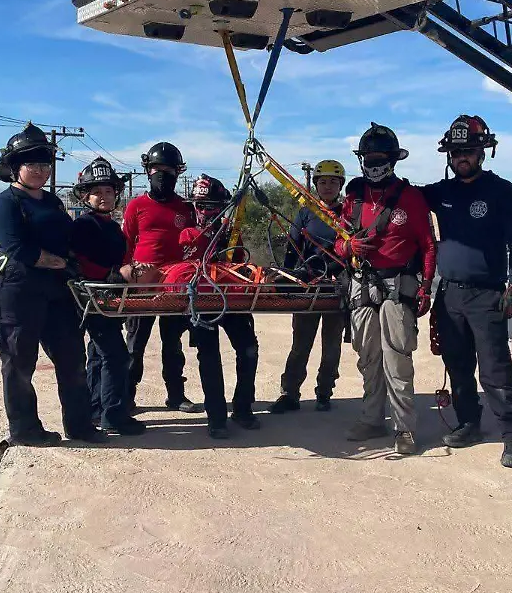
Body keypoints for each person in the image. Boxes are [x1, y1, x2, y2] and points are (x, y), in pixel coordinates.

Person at [421, 114, 512, 468]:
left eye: (467, 151)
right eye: (455, 152)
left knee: (496, 369)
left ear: (482, 152)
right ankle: (469, 423)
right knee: (458, 365)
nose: (460, 158)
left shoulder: (503, 192)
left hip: (487, 296)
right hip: (449, 294)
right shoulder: (442, 192)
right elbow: (406, 197)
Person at [0, 123, 100, 446]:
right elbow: (18, 248)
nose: (39, 170)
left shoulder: (52, 203)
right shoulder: (6, 204)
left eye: (44, 164)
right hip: (17, 293)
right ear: (14, 168)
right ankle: (25, 430)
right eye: (31, 164)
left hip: (58, 293)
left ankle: (80, 426)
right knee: (20, 365)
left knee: (72, 359)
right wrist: (63, 262)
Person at [335, 123, 436, 455]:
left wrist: (425, 288)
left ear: (393, 159)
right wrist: (349, 248)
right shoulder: (354, 197)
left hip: (397, 288)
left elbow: (428, 245)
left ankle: (404, 429)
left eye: (380, 157)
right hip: (362, 285)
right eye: (368, 157)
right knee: (368, 357)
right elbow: (340, 241)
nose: (374, 164)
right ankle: (372, 418)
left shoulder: (411, 198)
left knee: (397, 358)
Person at [178, 174, 261, 439]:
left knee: (248, 350)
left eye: (211, 205)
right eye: (200, 205)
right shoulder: (189, 234)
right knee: (209, 357)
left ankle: (242, 407)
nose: (205, 211)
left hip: (232, 301)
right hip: (202, 303)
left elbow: (241, 265)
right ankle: (216, 417)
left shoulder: (232, 232)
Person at [121, 142, 202, 414]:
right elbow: (126, 244)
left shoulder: (185, 208)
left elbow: (192, 245)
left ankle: (176, 395)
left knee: (173, 343)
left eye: (168, 170)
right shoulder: (136, 206)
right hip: (143, 285)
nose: (162, 174)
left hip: (175, 285)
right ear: (147, 171)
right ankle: (127, 396)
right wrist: (127, 274)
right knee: (135, 343)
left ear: (178, 173)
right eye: (157, 169)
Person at [69, 157, 147, 436]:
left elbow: (123, 259)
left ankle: (96, 408)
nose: (104, 197)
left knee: (98, 355)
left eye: (109, 192)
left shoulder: (112, 227)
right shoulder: (84, 226)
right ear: (86, 196)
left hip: (109, 300)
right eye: (97, 192)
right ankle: (114, 415)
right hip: (93, 298)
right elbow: (82, 262)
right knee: (115, 356)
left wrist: (133, 269)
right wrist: (116, 274)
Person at [270, 159, 347, 414]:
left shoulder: (346, 214)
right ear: (315, 184)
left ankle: (324, 392)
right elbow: (293, 246)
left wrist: (340, 274)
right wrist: (288, 277)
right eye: (322, 182)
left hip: (335, 287)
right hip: (307, 285)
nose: (327, 187)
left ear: (340, 185)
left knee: (331, 345)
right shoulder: (306, 212)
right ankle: (289, 393)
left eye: (332, 182)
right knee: (301, 343)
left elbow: (350, 252)